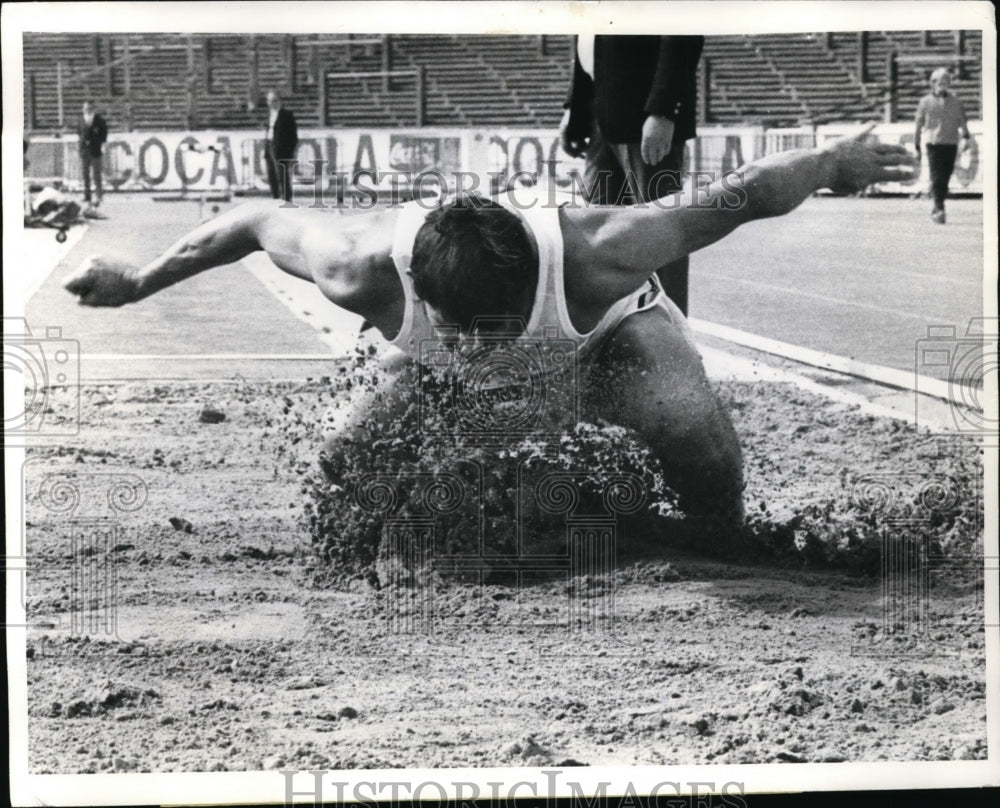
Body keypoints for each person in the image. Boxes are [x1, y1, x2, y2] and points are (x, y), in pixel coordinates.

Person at [63, 127, 914, 536]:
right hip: (418, 367)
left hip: (604, 340)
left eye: (496, 330)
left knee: (685, 413)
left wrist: (835, 162)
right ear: (420, 301)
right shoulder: (358, 267)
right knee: (341, 463)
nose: (483, 351)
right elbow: (251, 220)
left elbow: (742, 193)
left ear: (531, 280)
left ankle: (723, 535)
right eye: (462, 332)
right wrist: (139, 282)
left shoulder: (600, 250)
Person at [560, 35, 704, 315]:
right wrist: (573, 109)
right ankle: (613, 332)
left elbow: (682, 29)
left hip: (644, 112)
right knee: (597, 235)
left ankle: (671, 336)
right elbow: (589, 39)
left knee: (660, 232)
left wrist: (664, 109)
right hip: (600, 114)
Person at [914, 67, 973, 224]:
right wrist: (917, 147)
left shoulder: (955, 101)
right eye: (940, 82)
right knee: (936, 177)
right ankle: (939, 209)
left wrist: (966, 137)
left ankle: (937, 205)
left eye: (946, 82)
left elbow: (962, 120)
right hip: (933, 143)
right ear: (933, 83)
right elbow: (918, 125)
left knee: (945, 178)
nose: (943, 85)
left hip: (951, 142)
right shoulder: (925, 102)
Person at [263, 90, 298, 202]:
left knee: (281, 174)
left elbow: (293, 135)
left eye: (273, 100)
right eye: (269, 101)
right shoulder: (269, 115)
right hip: (269, 144)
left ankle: (286, 198)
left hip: (281, 148)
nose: (271, 103)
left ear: (279, 101)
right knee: (271, 173)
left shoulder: (287, 115)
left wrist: (290, 151)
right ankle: (275, 197)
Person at [78, 100, 108, 211]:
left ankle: (99, 195)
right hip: (84, 151)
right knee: (85, 175)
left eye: (89, 108)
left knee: (96, 175)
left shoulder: (99, 121)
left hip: (95, 150)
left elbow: (104, 134)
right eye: (85, 108)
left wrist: (102, 146)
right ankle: (87, 196)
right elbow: (79, 133)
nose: (87, 110)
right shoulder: (81, 120)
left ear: (93, 109)